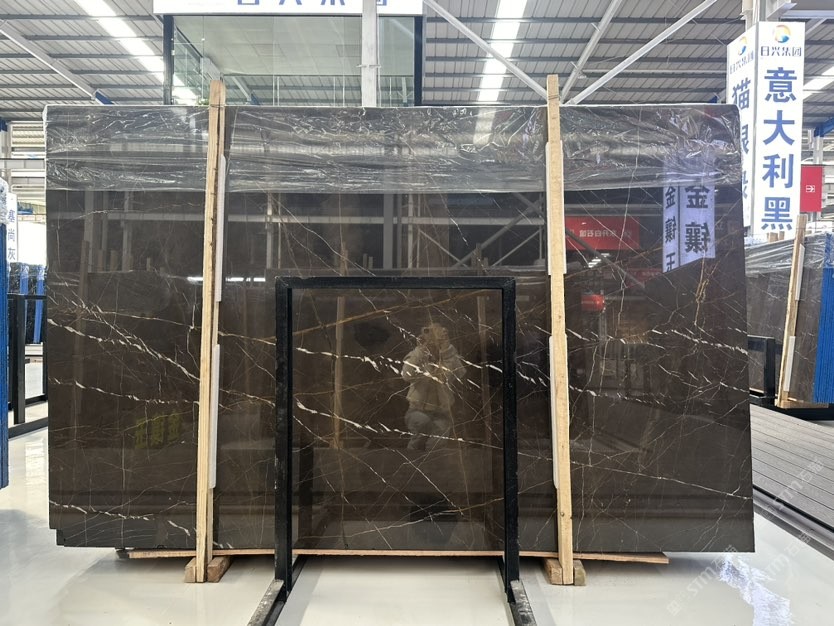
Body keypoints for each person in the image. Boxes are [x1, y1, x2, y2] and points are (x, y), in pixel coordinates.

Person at [401, 323, 465, 451]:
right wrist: (421, 350)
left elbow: (455, 376)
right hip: (417, 410)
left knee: (438, 444)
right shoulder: (418, 355)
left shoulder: (449, 356)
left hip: (441, 413)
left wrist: (447, 351)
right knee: (422, 425)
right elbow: (407, 375)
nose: (433, 344)